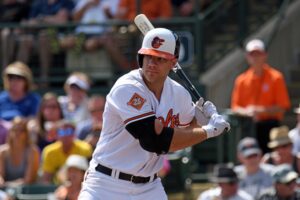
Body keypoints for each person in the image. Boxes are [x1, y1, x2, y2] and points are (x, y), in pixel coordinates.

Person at [78, 27, 230, 199]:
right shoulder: (127, 88)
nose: (151, 63)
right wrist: (208, 131)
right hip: (106, 183)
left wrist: (200, 120)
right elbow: (154, 141)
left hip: (148, 187)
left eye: (160, 59)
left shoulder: (179, 94)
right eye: (148, 56)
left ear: (173, 63)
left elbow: (188, 131)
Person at [231, 38, 291, 154]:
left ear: (265, 55)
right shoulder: (241, 80)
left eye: (258, 53)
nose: (255, 57)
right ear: (247, 57)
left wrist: (259, 111)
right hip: (248, 126)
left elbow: (282, 106)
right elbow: (235, 107)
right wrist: (247, 112)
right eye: (252, 54)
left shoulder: (276, 77)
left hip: (271, 127)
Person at [0, 117, 40, 188]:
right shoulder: (2, 152)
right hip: (5, 192)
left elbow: (28, 180)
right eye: (15, 130)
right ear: (10, 132)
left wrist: (7, 185)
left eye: (21, 130)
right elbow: (1, 177)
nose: (17, 133)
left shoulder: (32, 151)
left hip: (26, 192)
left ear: (26, 133)